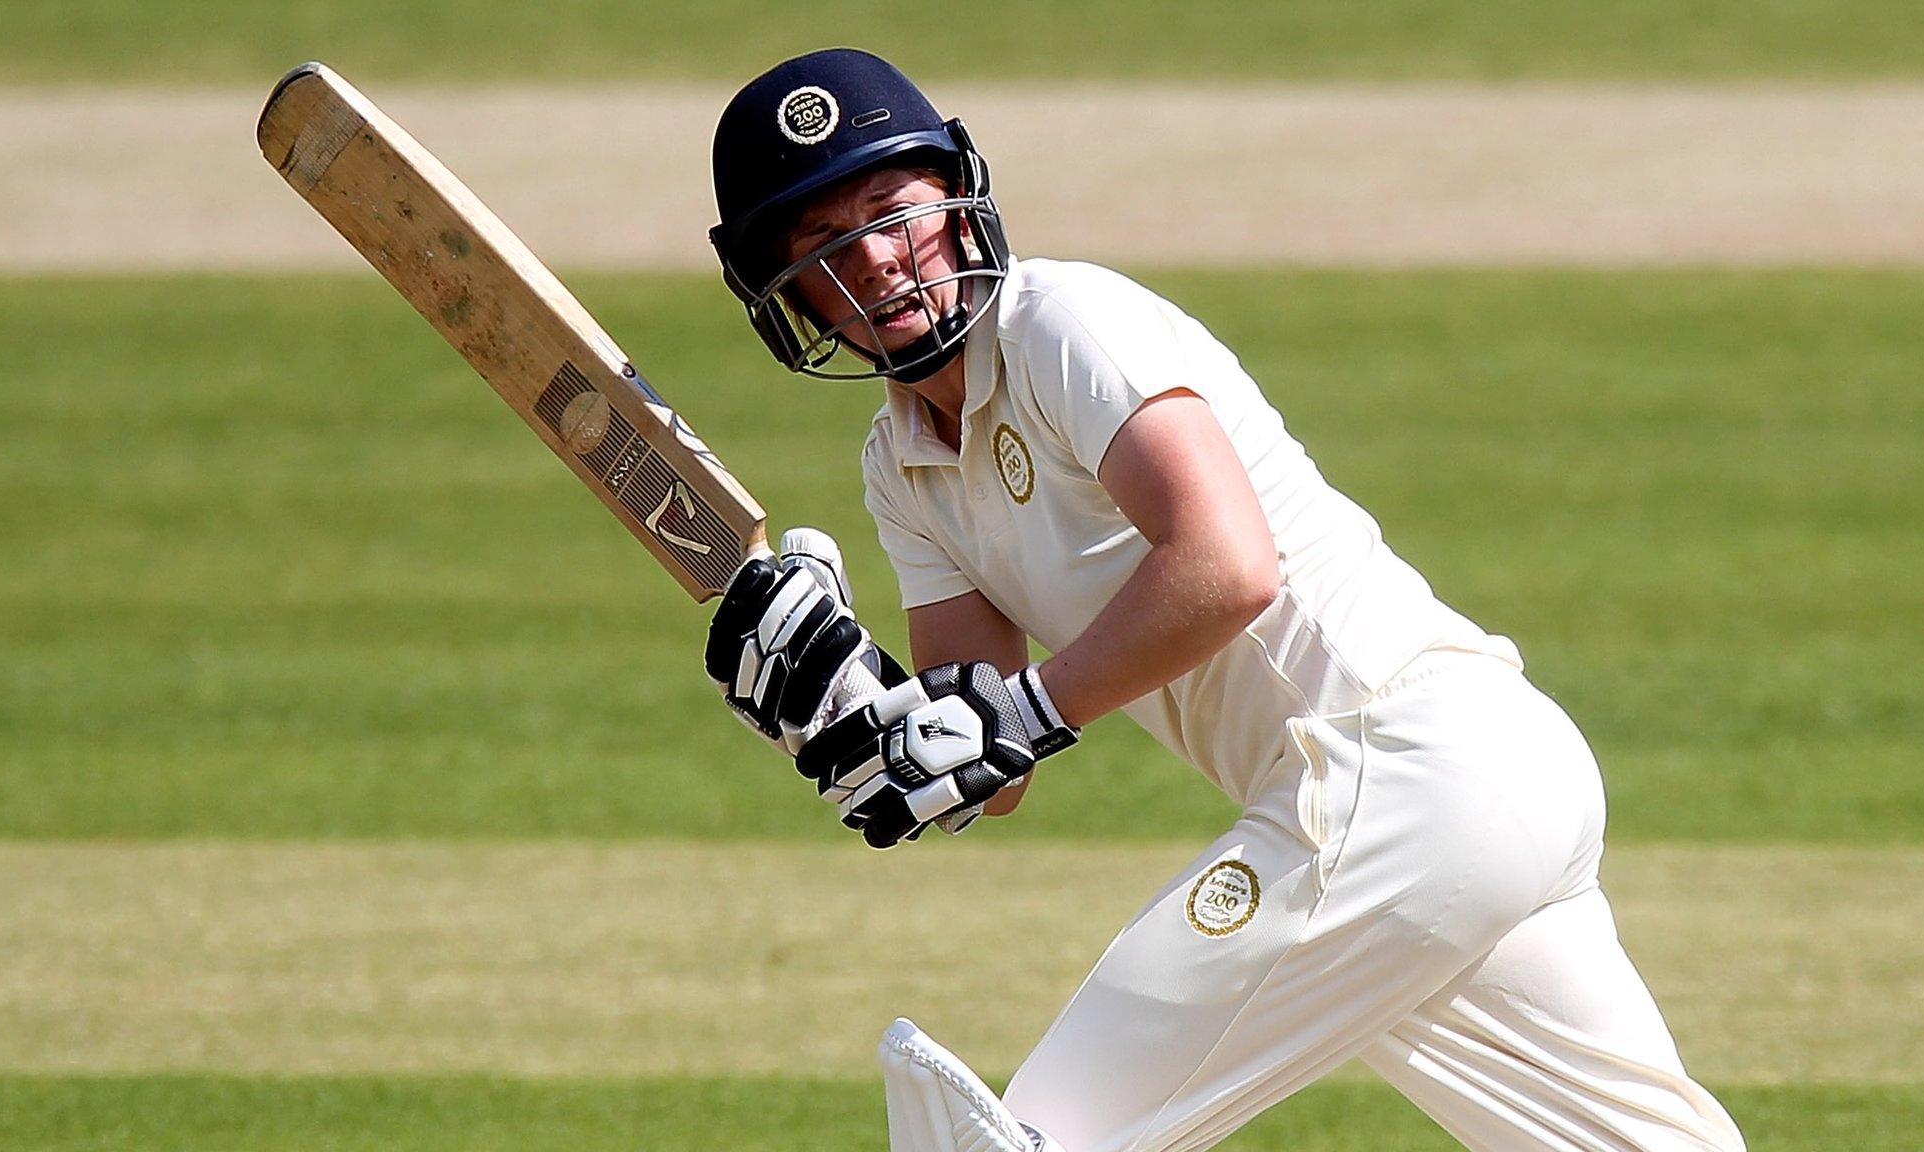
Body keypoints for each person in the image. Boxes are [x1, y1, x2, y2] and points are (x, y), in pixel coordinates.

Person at [701, 47, 1747, 1152]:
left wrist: (1019, 718)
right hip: (1428, 815)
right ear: (791, 291)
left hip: (1396, 768)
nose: (875, 259)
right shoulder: (899, 465)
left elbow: (1225, 564)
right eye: (824, 244)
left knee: (1025, 1139)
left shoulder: (1060, 323)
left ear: (955, 203)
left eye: (889, 208)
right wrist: (844, 717)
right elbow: (979, 755)